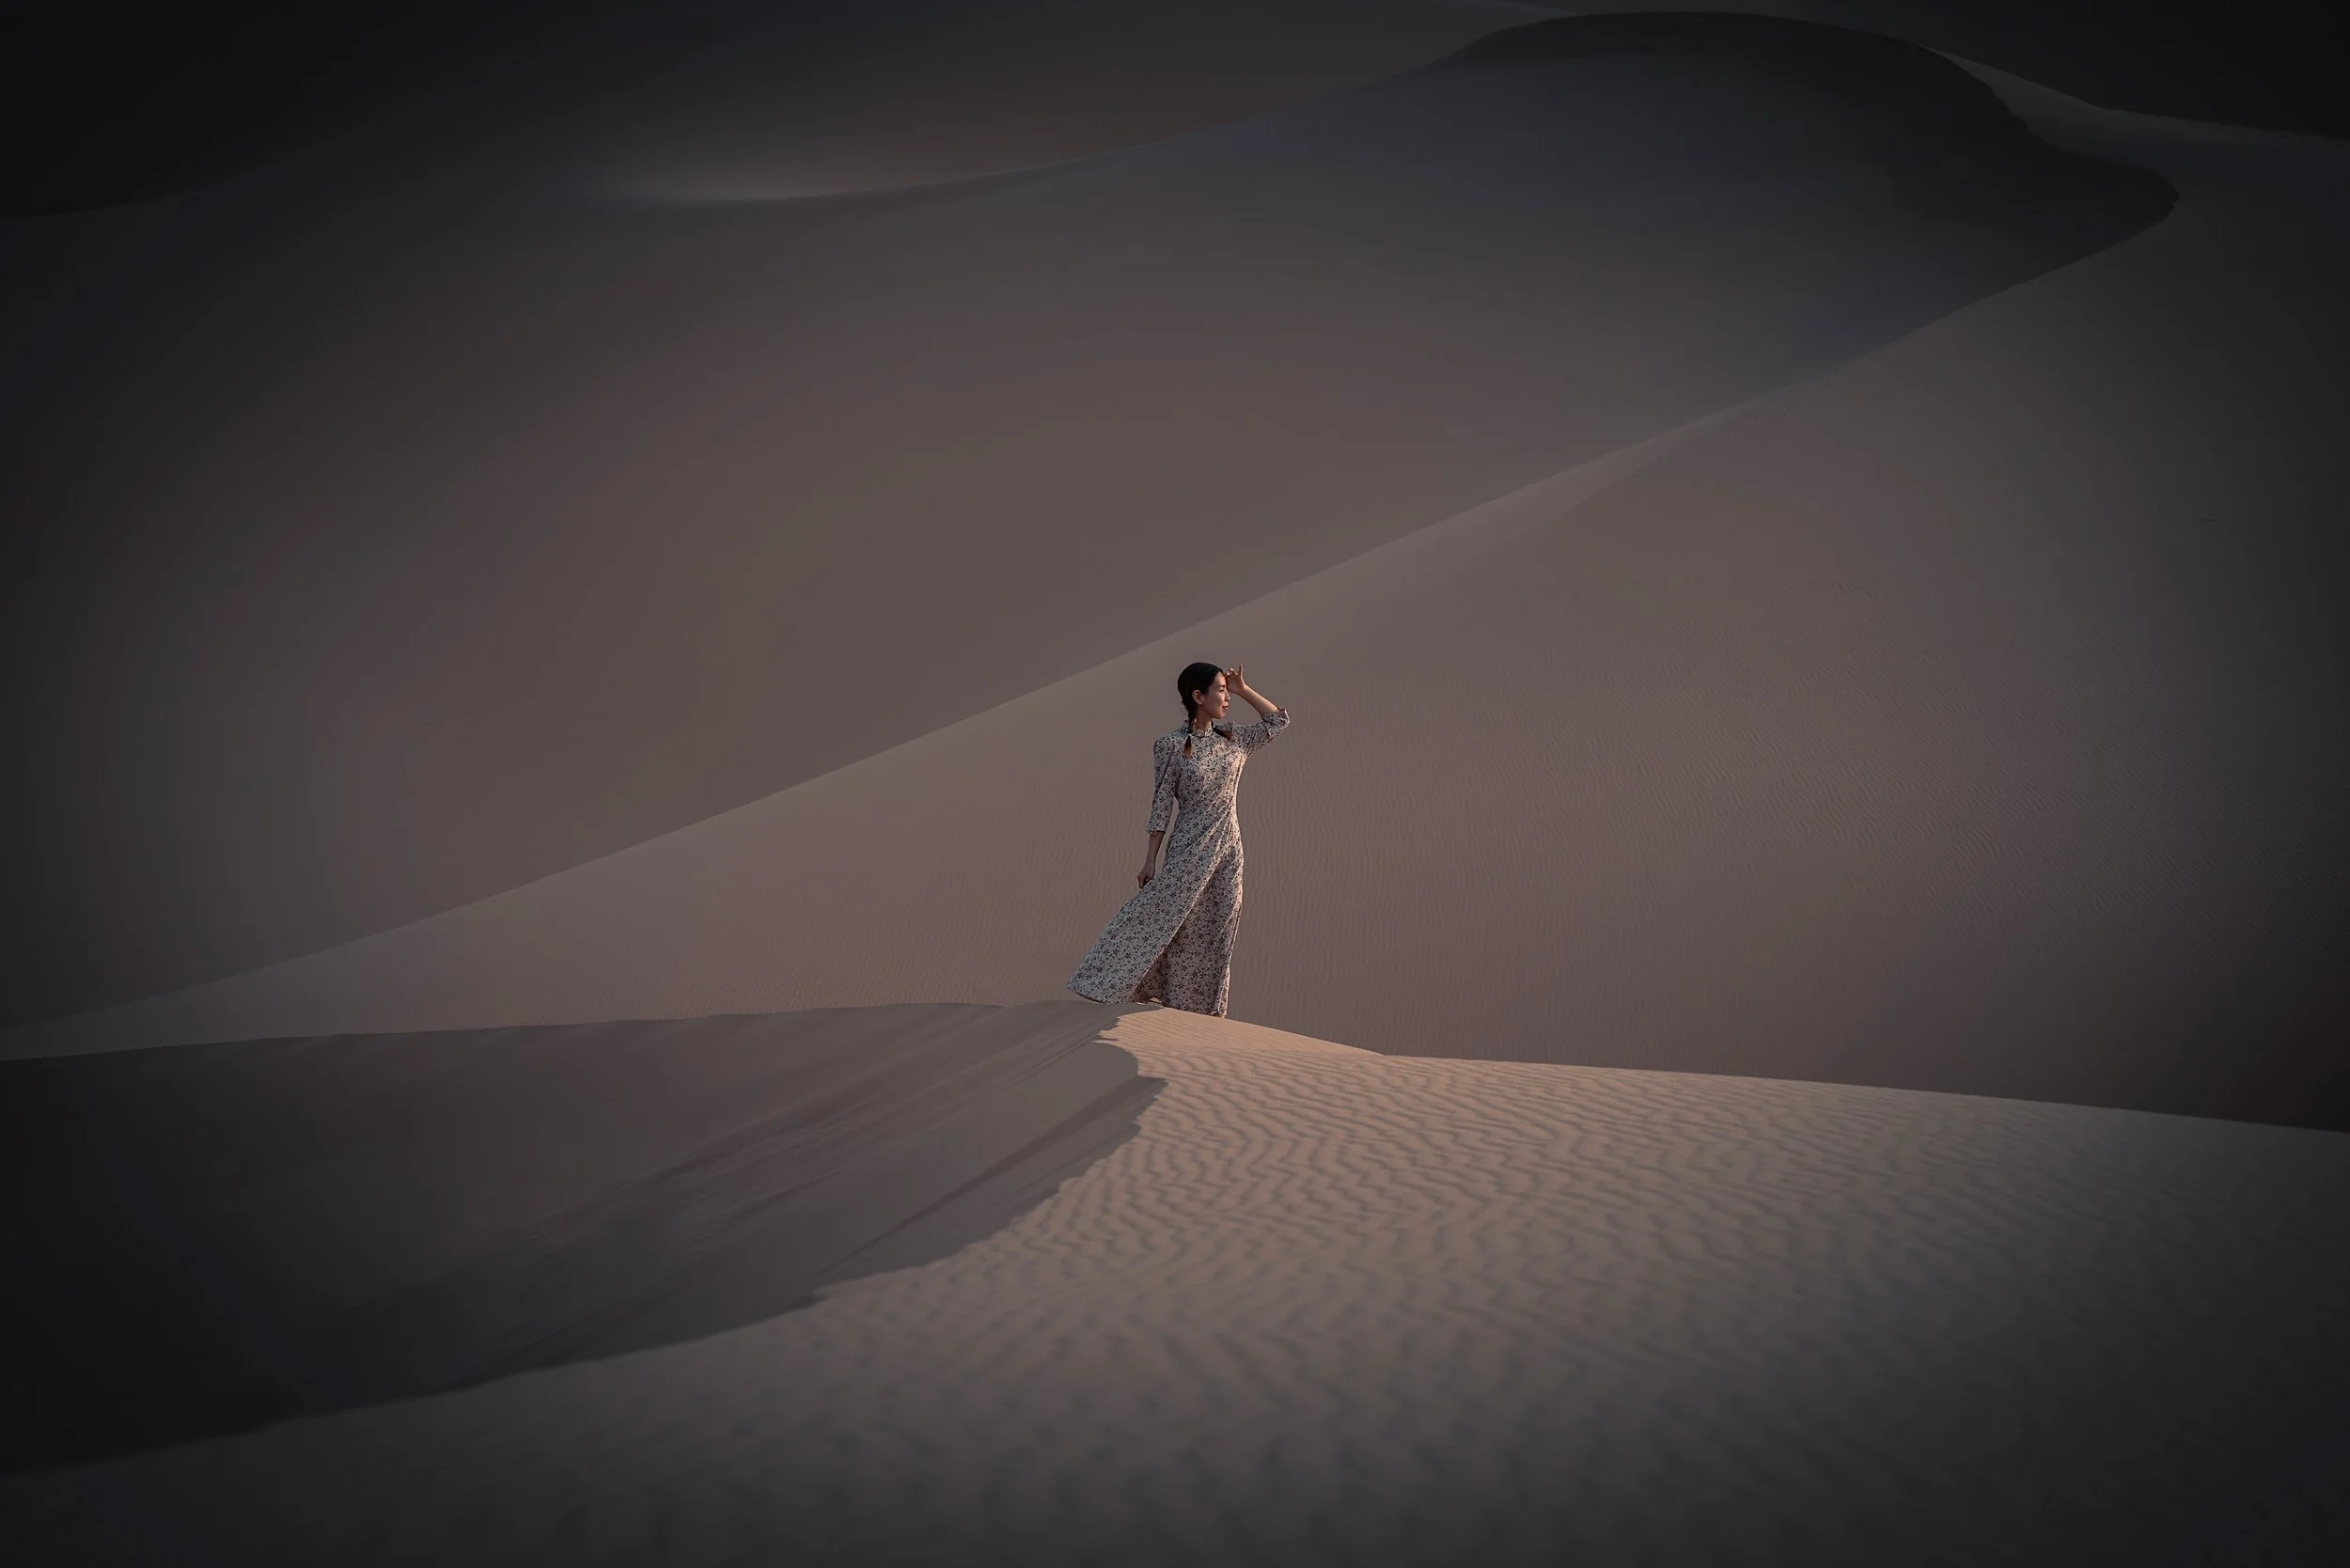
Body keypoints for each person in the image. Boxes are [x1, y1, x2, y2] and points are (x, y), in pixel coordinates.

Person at [1068, 662, 1289, 1016]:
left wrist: (1243, 689)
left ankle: (1203, 1012)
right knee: (1162, 920)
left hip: (1227, 851)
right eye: (1219, 689)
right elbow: (1160, 807)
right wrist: (1150, 859)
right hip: (1187, 851)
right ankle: (1107, 982)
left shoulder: (1234, 739)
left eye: (1225, 689)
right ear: (1197, 696)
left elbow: (1277, 721)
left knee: (1217, 929)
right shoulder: (1170, 746)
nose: (1225, 697)